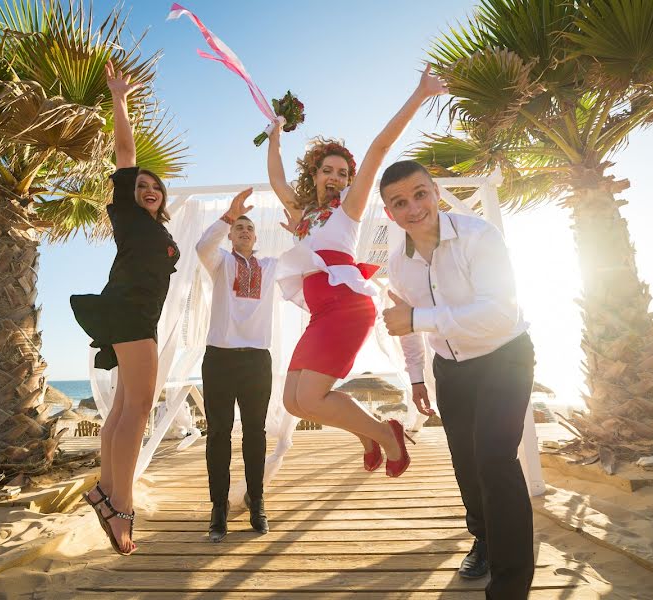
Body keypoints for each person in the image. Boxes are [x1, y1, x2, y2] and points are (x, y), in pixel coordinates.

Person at [267, 66, 446, 477]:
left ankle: (386, 435)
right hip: (321, 314)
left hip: (347, 307)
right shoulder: (303, 216)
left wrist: (420, 93)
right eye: (327, 170)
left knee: (311, 398)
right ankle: (369, 434)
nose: (335, 177)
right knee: (294, 401)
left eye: (342, 173)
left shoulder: (349, 209)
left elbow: (380, 148)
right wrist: (275, 136)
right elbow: (276, 178)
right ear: (314, 174)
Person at [380, 160, 535, 599]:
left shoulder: (479, 236)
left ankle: (509, 588)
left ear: (435, 191)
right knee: (466, 465)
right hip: (450, 368)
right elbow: (403, 326)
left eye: (420, 194)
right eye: (400, 202)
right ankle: (484, 539)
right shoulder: (399, 264)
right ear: (390, 213)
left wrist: (418, 318)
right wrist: (416, 379)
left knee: (495, 461)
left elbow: (499, 313)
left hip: (504, 358)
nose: (413, 208)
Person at [71, 62, 180, 556]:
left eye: (154, 187)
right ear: (129, 196)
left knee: (123, 408)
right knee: (138, 409)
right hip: (131, 312)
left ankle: (104, 491)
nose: (148, 189)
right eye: (140, 186)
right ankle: (122, 504)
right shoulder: (131, 220)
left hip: (134, 314)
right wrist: (119, 99)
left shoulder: (158, 232)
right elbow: (126, 153)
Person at [195, 188, 278, 542]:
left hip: (257, 360)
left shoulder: (271, 266)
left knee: (255, 434)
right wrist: (228, 214)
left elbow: (305, 261)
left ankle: (256, 501)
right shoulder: (221, 262)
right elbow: (202, 247)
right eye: (238, 227)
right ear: (230, 234)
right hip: (220, 358)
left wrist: (304, 224)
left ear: (256, 237)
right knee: (218, 434)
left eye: (249, 227)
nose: (244, 231)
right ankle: (218, 508)